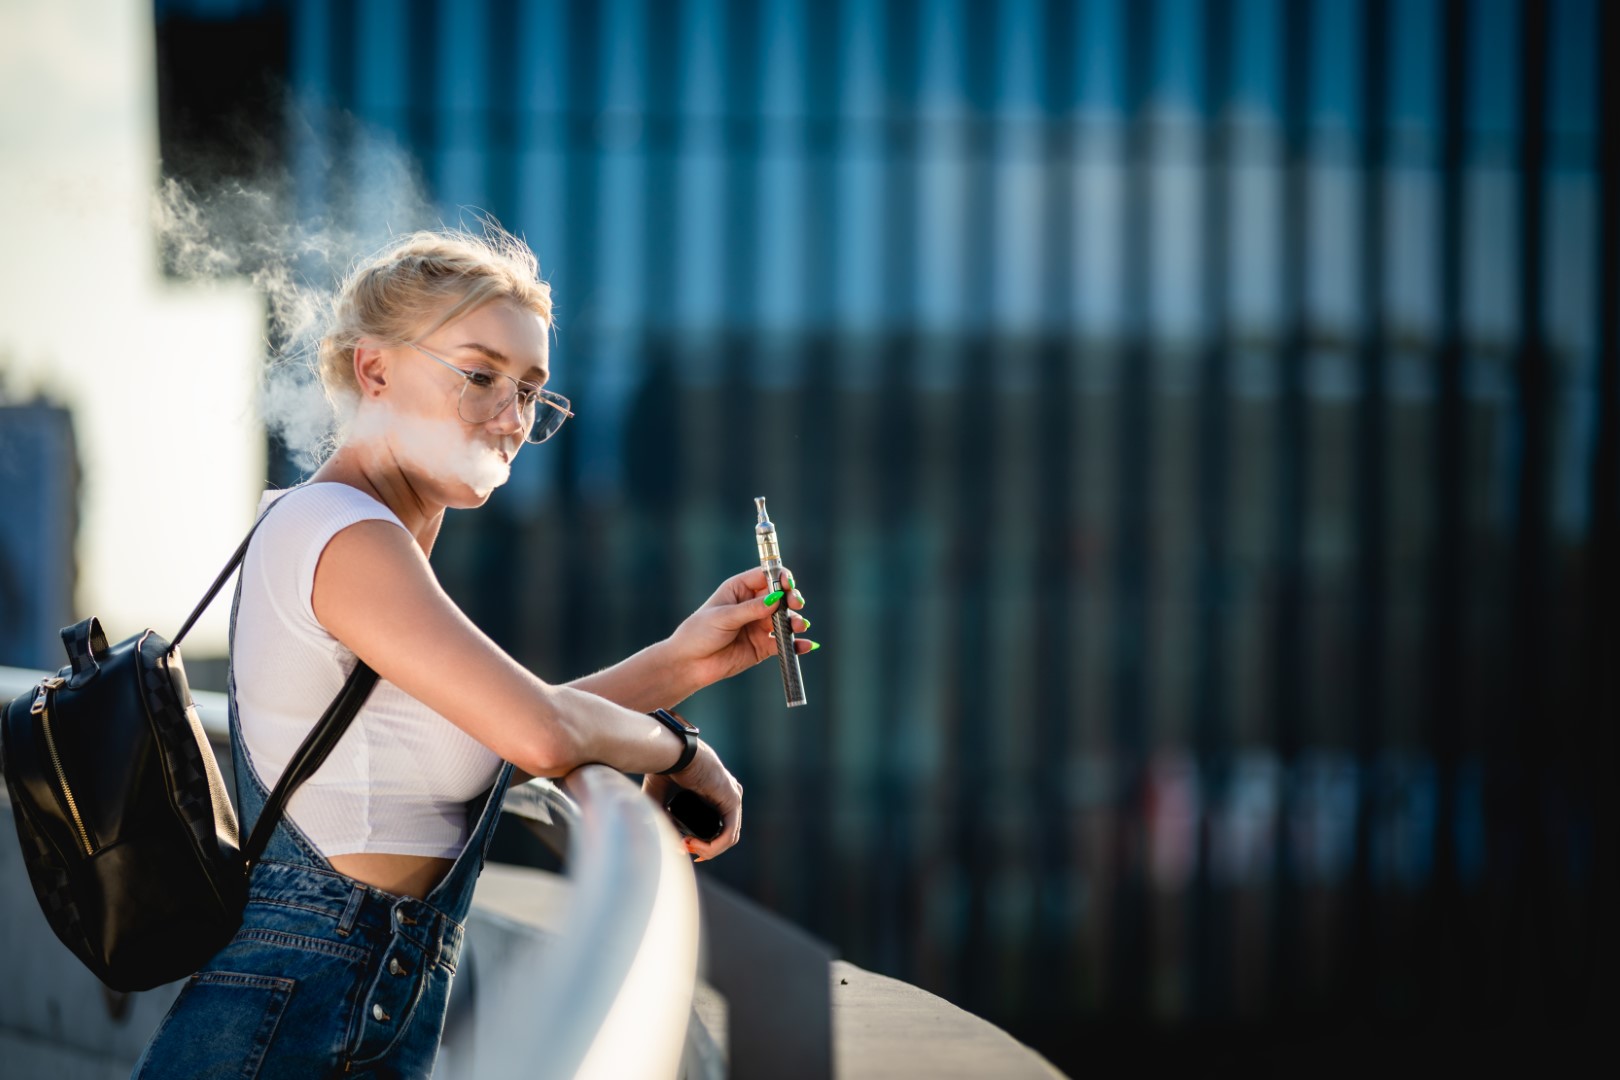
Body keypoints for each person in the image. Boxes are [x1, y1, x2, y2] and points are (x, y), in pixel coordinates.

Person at [131, 225, 813, 1078]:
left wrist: (686, 659)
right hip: (293, 1017)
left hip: (333, 1009)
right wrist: (682, 748)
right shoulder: (341, 531)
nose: (514, 417)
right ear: (375, 370)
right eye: (481, 374)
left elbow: (489, 738)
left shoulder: (357, 533)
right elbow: (544, 736)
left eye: (533, 392)